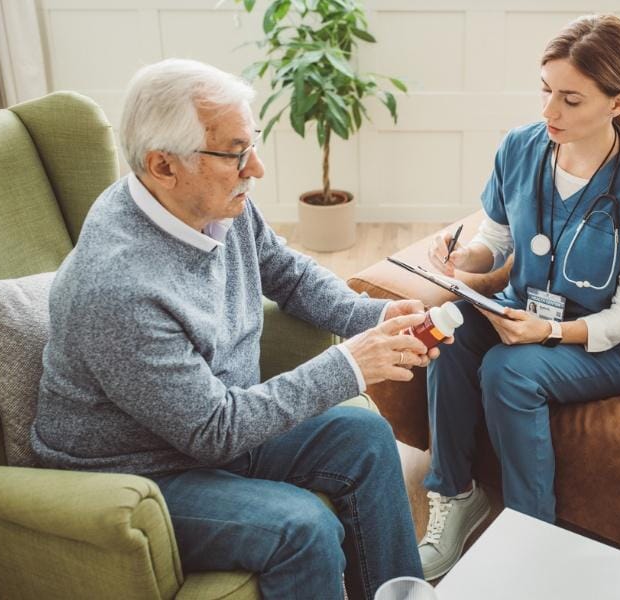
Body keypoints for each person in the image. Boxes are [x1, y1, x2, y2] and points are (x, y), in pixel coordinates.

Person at [30, 58, 433, 600]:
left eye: (252, 144)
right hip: (138, 475)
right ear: (163, 165)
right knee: (301, 528)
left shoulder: (213, 199)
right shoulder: (118, 289)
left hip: (212, 425)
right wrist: (351, 364)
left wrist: (374, 317)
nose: (257, 168)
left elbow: (286, 273)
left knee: (364, 437)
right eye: (235, 153)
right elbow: (213, 431)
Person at [418, 15, 620, 579]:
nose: (549, 112)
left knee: (509, 371)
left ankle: (531, 537)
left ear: (617, 102)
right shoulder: (521, 147)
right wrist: (467, 260)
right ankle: (455, 496)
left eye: (570, 99)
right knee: (449, 331)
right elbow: (495, 237)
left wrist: (552, 333)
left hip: (613, 341)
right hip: (521, 311)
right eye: (545, 91)